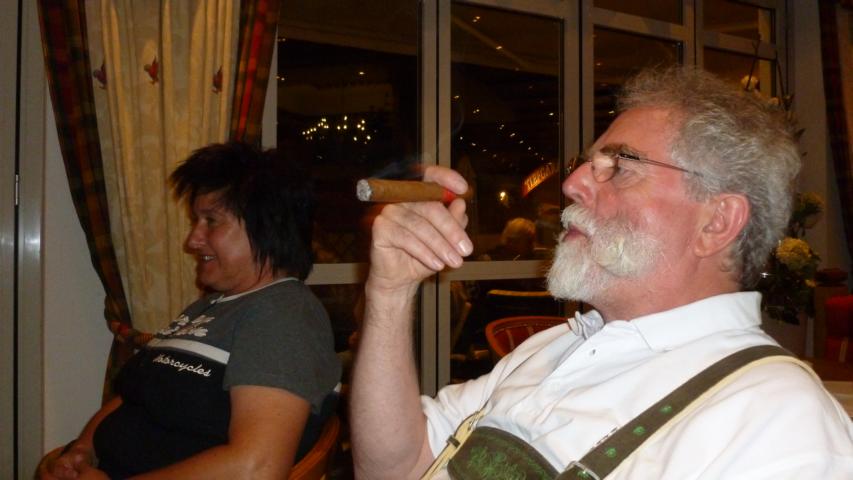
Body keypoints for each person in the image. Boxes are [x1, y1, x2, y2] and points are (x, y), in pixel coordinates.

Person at [350, 66, 853, 479]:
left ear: (716, 222)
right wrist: (390, 292)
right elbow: (399, 466)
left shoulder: (777, 424)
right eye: (587, 163)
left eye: (620, 166)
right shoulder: (554, 347)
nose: (571, 184)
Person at [38, 142, 341, 479]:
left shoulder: (284, 315)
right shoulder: (210, 306)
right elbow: (135, 395)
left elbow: (256, 467)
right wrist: (82, 450)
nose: (193, 240)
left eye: (211, 221)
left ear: (267, 228)